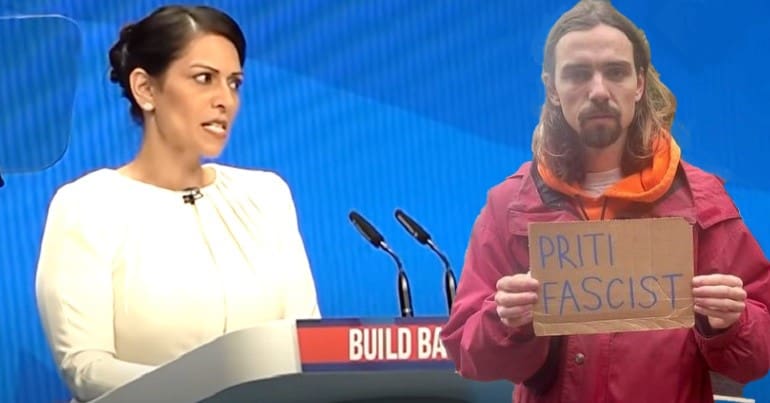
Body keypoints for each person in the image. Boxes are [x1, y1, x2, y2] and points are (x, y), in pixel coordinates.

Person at [440, 1, 770, 402]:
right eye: (578, 74)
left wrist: (732, 322)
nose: (598, 91)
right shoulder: (510, 205)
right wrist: (505, 319)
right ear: (552, 89)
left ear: (639, 84)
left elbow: (756, 357)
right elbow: (467, 353)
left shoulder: (702, 202)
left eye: (615, 72)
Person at [34, 5, 321, 402]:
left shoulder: (267, 196)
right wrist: (213, 387)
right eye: (204, 79)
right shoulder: (89, 205)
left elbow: (304, 344)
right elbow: (86, 367)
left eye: (234, 83)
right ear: (146, 89)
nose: (225, 100)